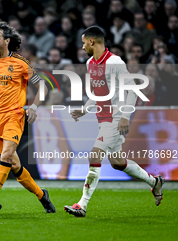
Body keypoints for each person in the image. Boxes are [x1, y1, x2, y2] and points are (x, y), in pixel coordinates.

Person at [64, 26, 165, 217]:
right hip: (102, 119)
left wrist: (125, 117)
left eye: (84, 42)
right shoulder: (90, 63)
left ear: (92, 41)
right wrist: (85, 110)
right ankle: (155, 182)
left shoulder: (115, 62)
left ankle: (82, 204)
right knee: (118, 162)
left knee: (94, 156)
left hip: (116, 118)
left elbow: (133, 90)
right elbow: (98, 92)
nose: (83, 46)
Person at [0, 22, 55, 213]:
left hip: (14, 116)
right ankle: (41, 195)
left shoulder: (21, 64)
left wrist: (34, 107)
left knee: (5, 155)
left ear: (7, 40)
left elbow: (43, 87)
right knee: (14, 164)